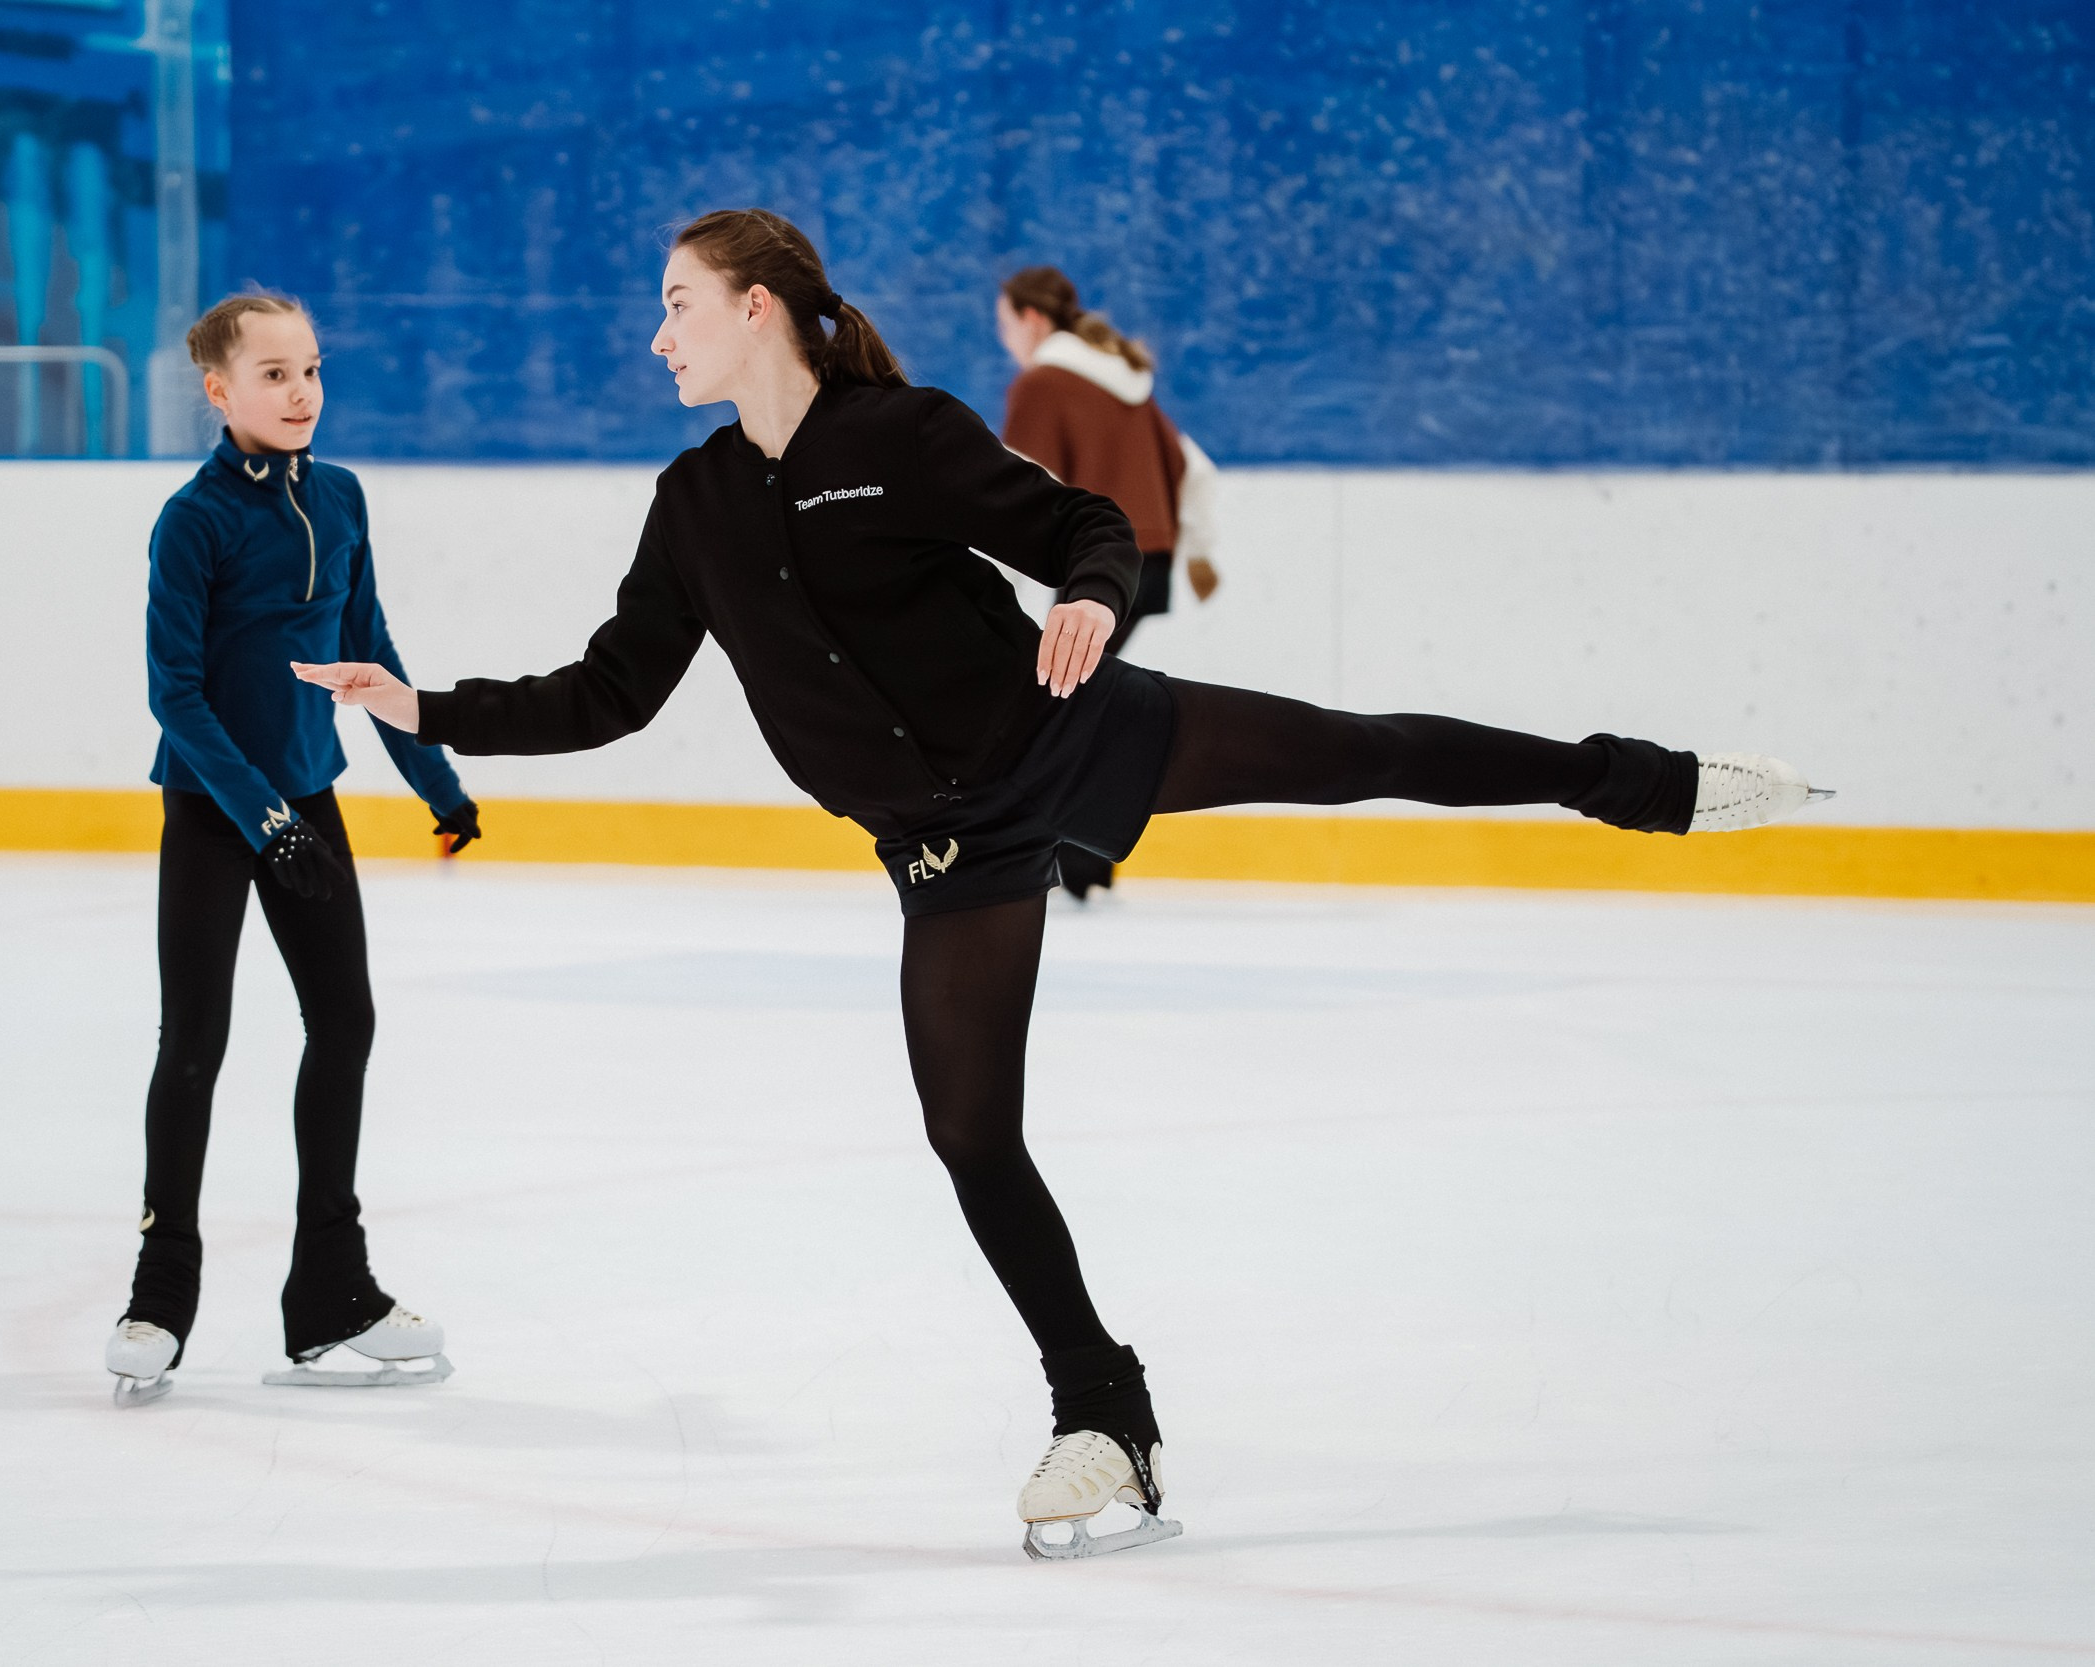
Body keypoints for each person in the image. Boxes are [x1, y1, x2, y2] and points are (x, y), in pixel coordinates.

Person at [289, 210, 1828, 1554]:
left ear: (757, 306)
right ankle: (1107, 1410)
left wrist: (1092, 597)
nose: (656, 335)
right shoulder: (693, 504)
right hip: (944, 848)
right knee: (970, 1134)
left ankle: (1640, 781)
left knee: (1358, 749)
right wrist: (429, 708)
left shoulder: (900, 433)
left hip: (1074, 739)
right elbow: (609, 691)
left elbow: (1083, 526)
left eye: (676, 305)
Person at [104, 291, 481, 1405]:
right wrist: (261, 818)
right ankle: (159, 1291)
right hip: (217, 808)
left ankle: (330, 1290)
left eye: (310, 368)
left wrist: (438, 780)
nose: (300, 391)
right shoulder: (194, 519)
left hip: (308, 800)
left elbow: (368, 649)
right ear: (219, 391)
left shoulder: (345, 496)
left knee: (346, 1020)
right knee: (195, 1038)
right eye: (272, 374)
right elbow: (175, 693)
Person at [996, 265, 1222, 902]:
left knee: (1059, 705)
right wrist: (1200, 554)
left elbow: (1014, 486)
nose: (1006, 340)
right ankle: (1084, 860)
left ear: (1033, 320)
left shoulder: (1042, 383)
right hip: (1144, 565)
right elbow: (1194, 468)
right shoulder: (1127, 381)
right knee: (1074, 703)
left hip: (1097, 571)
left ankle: (1077, 854)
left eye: (1006, 325)